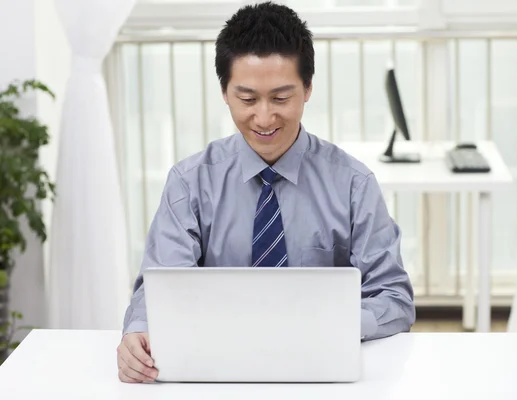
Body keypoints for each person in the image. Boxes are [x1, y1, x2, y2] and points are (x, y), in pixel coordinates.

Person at [116, 1, 415, 384]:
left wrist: (327, 325)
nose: (263, 117)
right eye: (247, 99)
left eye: (280, 98)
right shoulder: (190, 182)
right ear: (224, 92)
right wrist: (139, 331)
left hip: (322, 371)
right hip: (214, 372)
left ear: (307, 89)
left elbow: (393, 297)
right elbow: (160, 288)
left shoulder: (353, 184)